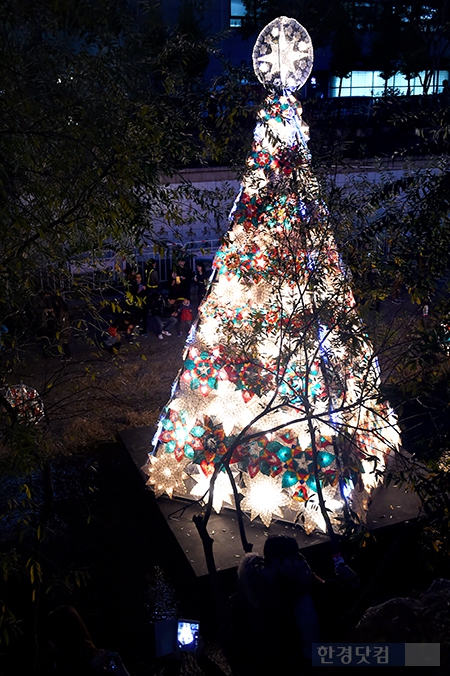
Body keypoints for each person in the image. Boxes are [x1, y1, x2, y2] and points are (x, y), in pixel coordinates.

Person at [37, 605, 131, 676]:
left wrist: (122, 672)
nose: (50, 641)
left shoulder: (88, 658)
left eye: (54, 635)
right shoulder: (49, 661)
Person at [130, 272, 149, 336]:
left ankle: (144, 331)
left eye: (139, 277)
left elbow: (148, 293)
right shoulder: (133, 285)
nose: (138, 279)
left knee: (145, 318)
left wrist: (145, 289)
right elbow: (133, 294)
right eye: (137, 277)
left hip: (144, 304)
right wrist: (138, 291)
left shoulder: (144, 284)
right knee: (137, 317)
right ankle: (136, 330)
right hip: (137, 304)